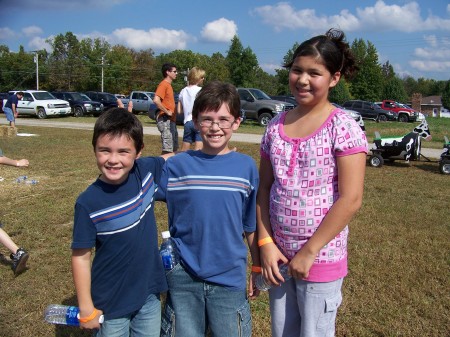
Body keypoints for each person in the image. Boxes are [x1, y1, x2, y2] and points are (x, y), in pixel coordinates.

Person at [256, 28, 368, 337]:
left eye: (314, 73)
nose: (302, 79)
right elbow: (264, 188)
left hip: (320, 258)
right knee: (282, 331)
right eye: (297, 70)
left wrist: (309, 252)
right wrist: (266, 244)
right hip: (278, 258)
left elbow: (351, 198)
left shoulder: (343, 127)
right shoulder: (275, 126)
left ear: (334, 78)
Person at [157, 81, 260, 337]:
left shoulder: (246, 167)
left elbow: (250, 225)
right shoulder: (176, 166)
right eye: (207, 119)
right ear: (194, 121)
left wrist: (256, 267)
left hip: (228, 277)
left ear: (237, 122)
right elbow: (135, 182)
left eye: (224, 119)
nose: (215, 127)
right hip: (183, 276)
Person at [71, 108, 173, 336]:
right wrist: (86, 306)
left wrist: (210, 156)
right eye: (104, 150)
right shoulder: (88, 203)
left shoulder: (145, 170)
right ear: (94, 149)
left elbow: (168, 158)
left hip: (149, 292)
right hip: (110, 302)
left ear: (138, 152)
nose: (113, 160)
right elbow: (81, 256)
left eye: (123, 152)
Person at [177, 67, 205, 151]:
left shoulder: (183, 91)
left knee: (185, 147)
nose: (203, 79)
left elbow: (179, 111)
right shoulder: (201, 91)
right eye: (202, 77)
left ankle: (181, 162)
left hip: (187, 122)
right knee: (198, 149)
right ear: (197, 78)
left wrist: (187, 109)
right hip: (198, 121)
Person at [153, 63, 178, 154]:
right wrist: (167, 111)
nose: (176, 73)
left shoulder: (169, 86)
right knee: (168, 149)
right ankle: (163, 167)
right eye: (174, 71)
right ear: (167, 72)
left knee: (173, 148)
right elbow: (156, 100)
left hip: (171, 121)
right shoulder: (164, 84)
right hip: (165, 119)